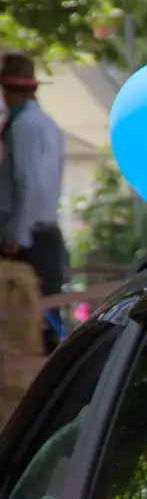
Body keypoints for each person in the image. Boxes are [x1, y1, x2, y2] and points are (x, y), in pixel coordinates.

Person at [0, 54, 66, 350]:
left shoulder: (23, 126)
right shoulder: (47, 123)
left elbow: (28, 182)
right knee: (47, 316)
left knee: (29, 324)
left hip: (30, 238)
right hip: (45, 232)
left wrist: (16, 233)